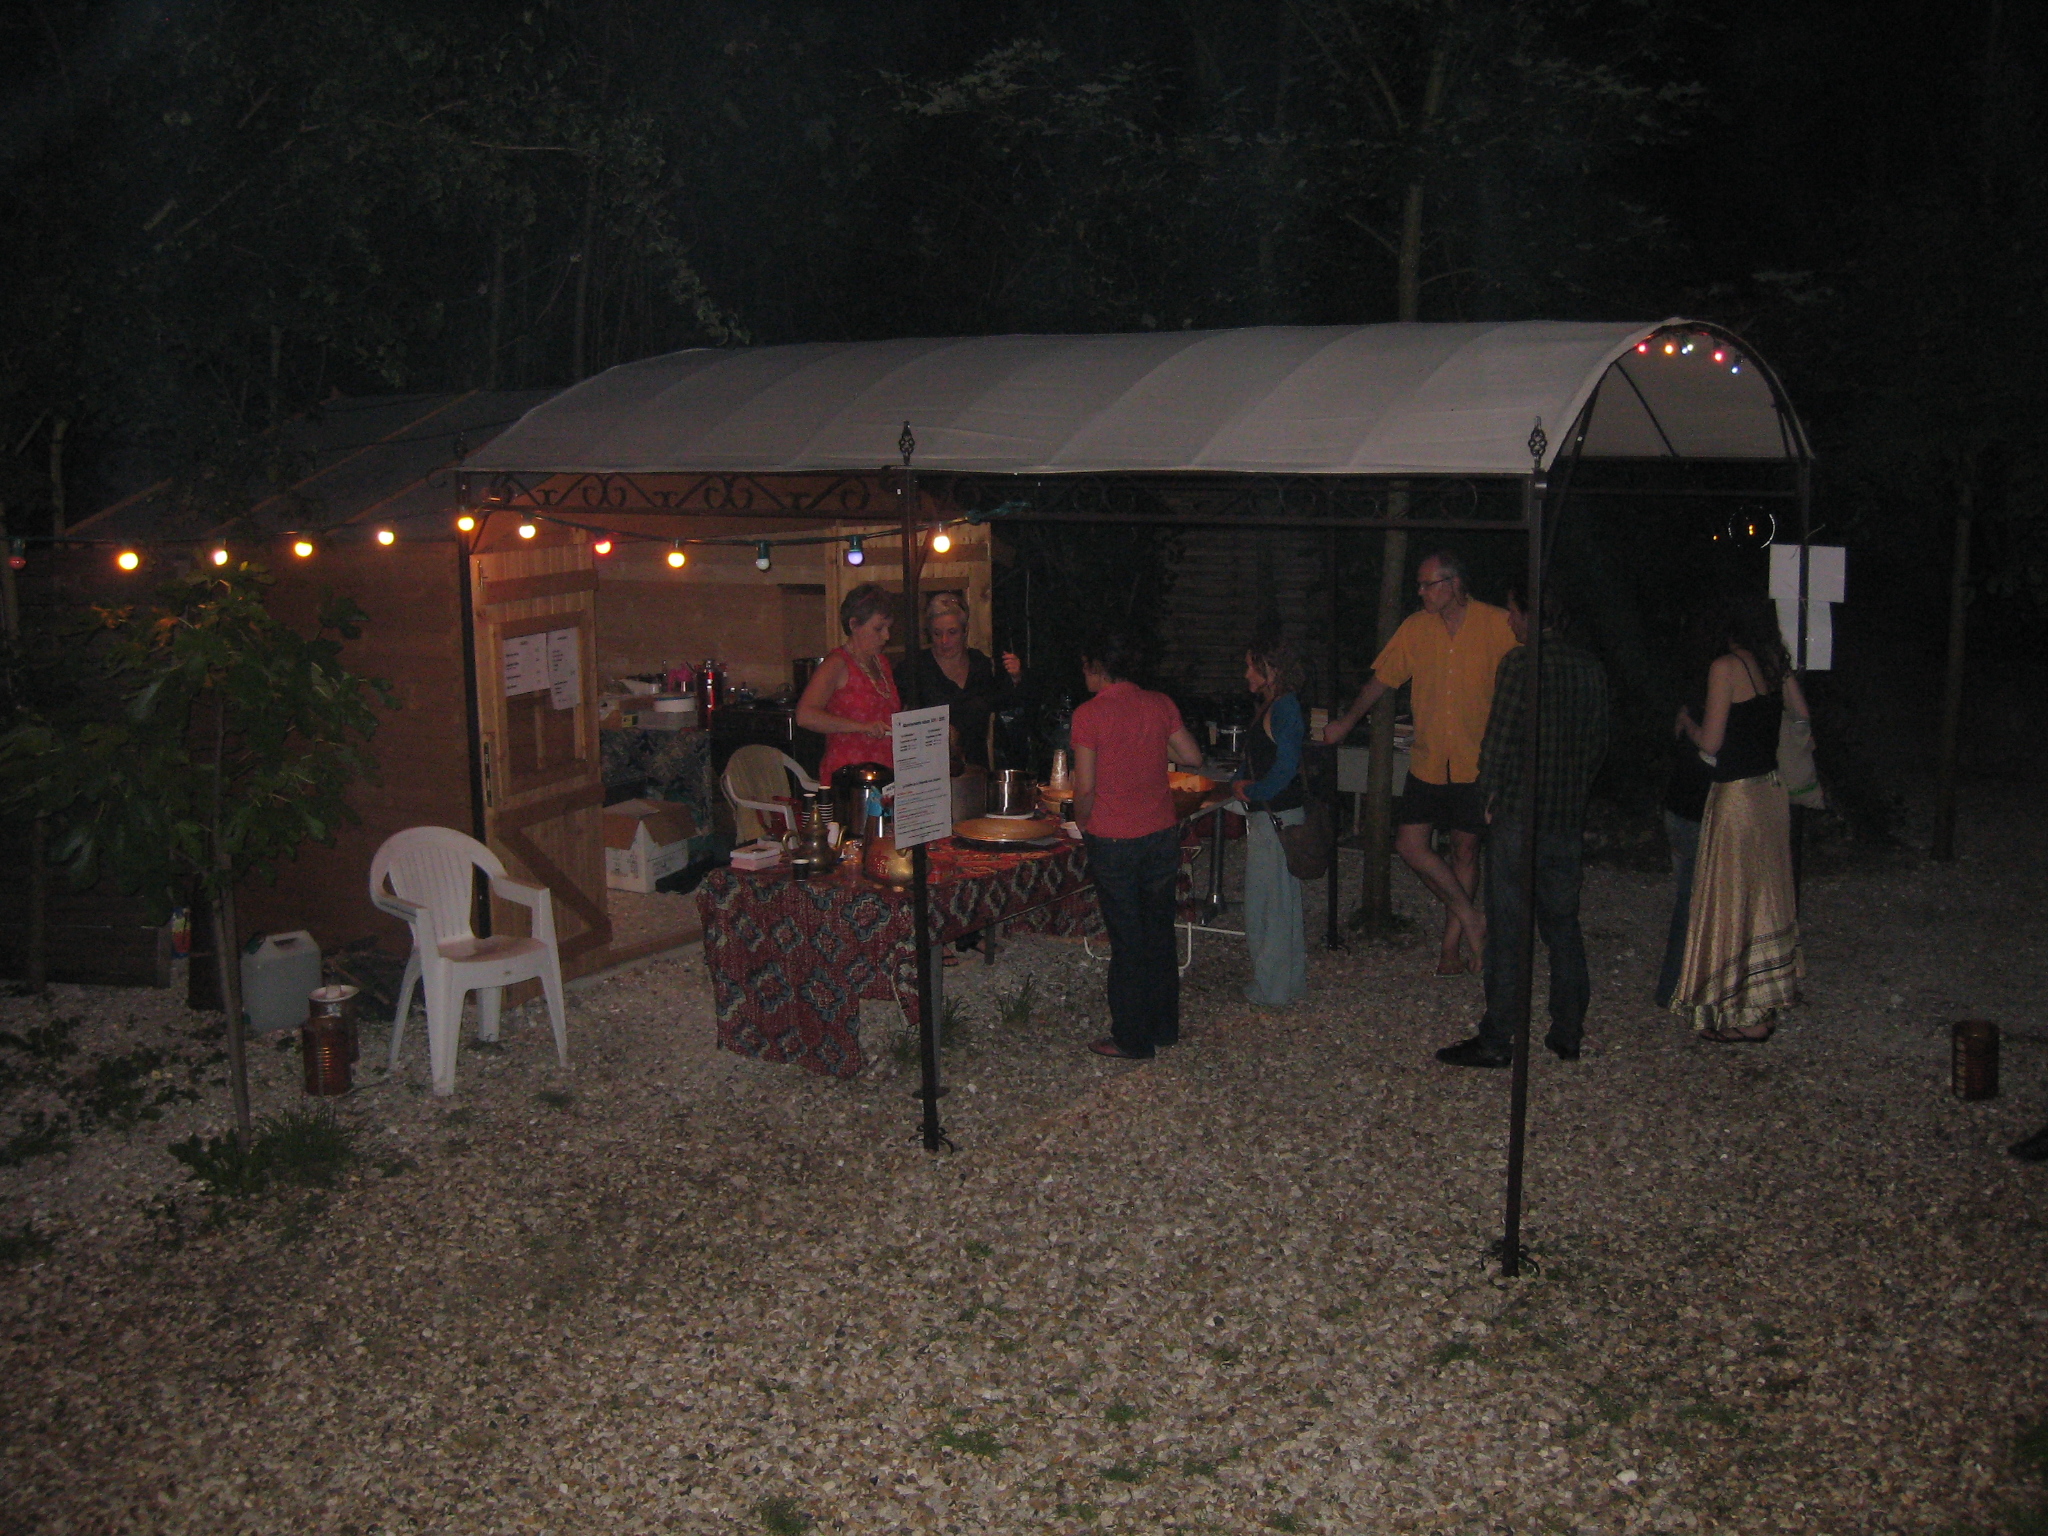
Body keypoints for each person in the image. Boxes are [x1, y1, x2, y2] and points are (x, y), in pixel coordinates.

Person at [1435, 585, 1609, 1068]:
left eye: (1513, 612)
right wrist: (1575, 789)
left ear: (1532, 615)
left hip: (1518, 814)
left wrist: (1487, 795)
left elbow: (1499, 739)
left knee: (1509, 929)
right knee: (1562, 924)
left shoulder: (1519, 665)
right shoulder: (1589, 668)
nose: (1509, 621)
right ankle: (1568, 1030)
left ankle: (1497, 1038)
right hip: (1564, 817)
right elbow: (1597, 743)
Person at [1323, 550, 1519, 974]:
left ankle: (1451, 950)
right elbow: (1382, 680)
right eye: (1419, 585)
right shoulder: (1416, 627)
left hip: (1477, 763)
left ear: (1453, 584)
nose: (1421, 592)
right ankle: (1473, 919)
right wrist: (1347, 721)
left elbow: (1526, 679)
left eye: (1428, 584)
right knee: (1410, 845)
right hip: (1429, 760)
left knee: (1465, 852)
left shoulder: (1497, 624)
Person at [1668, 588, 1811, 1043]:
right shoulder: (1774, 665)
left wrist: (1688, 725)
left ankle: (1741, 1013)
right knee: (1763, 898)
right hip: (1771, 794)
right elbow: (1802, 716)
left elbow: (1711, 743)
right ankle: (1760, 1005)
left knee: (1730, 901)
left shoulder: (1726, 667)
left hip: (1737, 798)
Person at [1070, 631, 1206, 1060]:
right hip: (1160, 832)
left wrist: (1081, 820)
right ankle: (1164, 1026)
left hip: (1114, 837)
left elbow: (1085, 787)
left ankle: (1131, 1037)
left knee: (1127, 939)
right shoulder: (1159, 704)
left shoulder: (1089, 714)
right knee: (1158, 932)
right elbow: (1192, 757)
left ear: (1097, 667)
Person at [1231, 636, 1309, 1009]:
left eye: (1252, 666)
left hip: (1276, 816)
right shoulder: (1275, 705)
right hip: (1274, 813)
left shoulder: (1284, 708)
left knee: (1269, 905)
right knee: (1280, 902)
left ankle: (1272, 988)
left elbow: (1286, 766)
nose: (1247, 673)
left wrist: (1255, 790)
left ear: (1271, 670)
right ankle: (1286, 983)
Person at [1654, 605, 1717, 1008]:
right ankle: (1675, 986)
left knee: (1689, 898)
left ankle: (1685, 983)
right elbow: (1707, 746)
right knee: (1691, 901)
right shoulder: (1715, 682)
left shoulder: (1693, 680)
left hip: (1680, 804)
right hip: (1694, 807)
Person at [907, 591, 1023, 772]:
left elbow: (1006, 703)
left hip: (976, 768)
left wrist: (1016, 677)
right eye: (937, 633)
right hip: (929, 770)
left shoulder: (980, 664)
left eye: (952, 632)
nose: (944, 641)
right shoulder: (916, 667)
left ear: (965, 631)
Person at [796, 583, 901, 779]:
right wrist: (862, 727)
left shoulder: (882, 662)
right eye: (878, 628)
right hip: (849, 774)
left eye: (888, 628)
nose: (886, 636)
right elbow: (805, 716)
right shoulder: (837, 663)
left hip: (883, 771)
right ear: (854, 625)